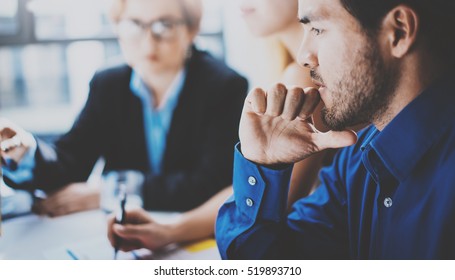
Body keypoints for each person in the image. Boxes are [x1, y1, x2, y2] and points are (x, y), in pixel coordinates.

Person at [216, 0, 455, 259]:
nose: (303, 56)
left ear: (398, 32)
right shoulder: (357, 157)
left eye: (317, 29)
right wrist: (261, 163)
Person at [106, 0, 331, 253]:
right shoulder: (286, 70)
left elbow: (267, 198)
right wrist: (169, 229)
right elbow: (250, 186)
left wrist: (171, 230)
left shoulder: (303, 80)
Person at [0, 0, 248, 216]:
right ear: (117, 26)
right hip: (118, 229)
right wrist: (25, 152)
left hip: (191, 230)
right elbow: (71, 162)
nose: (148, 41)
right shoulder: (108, 83)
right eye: (134, 25)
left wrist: (111, 193)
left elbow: (214, 184)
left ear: (191, 30)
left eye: (165, 25)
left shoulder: (225, 86)